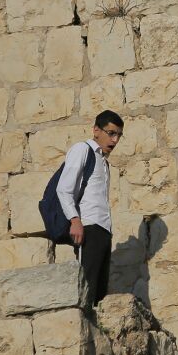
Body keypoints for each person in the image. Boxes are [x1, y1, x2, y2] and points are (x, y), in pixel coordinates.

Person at [57, 110, 123, 311]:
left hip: (103, 229)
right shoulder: (82, 150)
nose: (115, 139)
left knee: (100, 293)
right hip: (89, 227)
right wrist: (75, 220)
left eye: (119, 135)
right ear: (96, 130)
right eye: (111, 133)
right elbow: (64, 188)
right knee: (88, 288)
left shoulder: (103, 161)